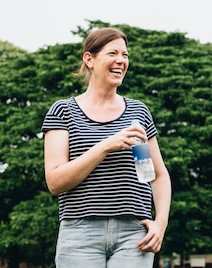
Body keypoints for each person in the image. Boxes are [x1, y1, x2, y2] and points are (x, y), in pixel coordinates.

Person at [43, 27, 171, 268]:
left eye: (125, 55)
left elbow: (158, 174)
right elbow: (55, 181)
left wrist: (160, 223)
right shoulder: (63, 111)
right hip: (79, 233)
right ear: (89, 59)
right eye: (112, 53)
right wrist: (105, 146)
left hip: (134, 234)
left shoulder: (138, 112)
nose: (121, 61)